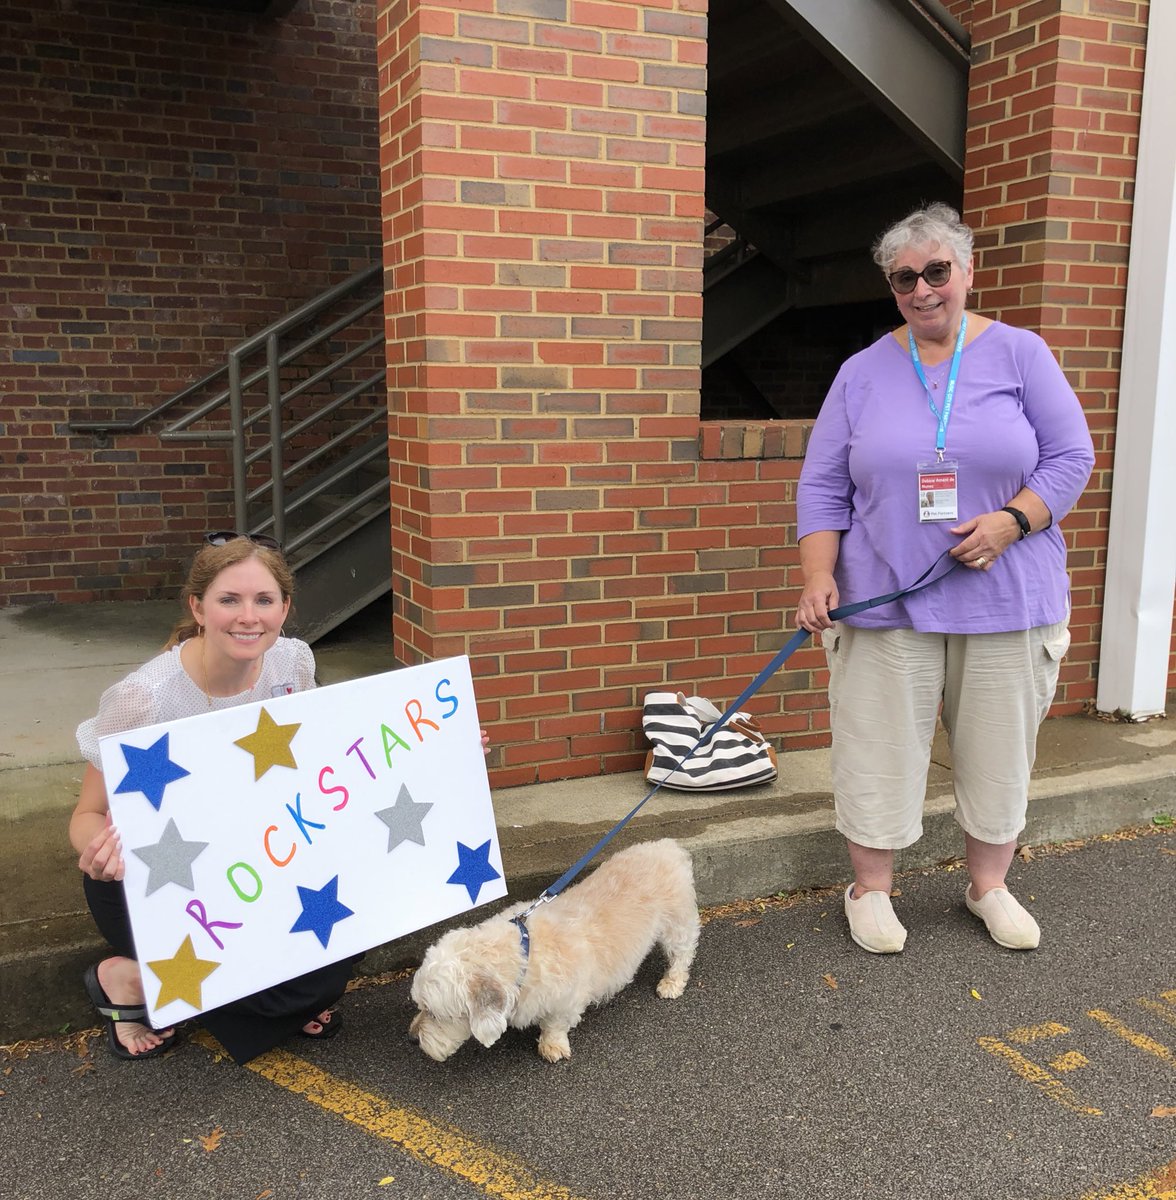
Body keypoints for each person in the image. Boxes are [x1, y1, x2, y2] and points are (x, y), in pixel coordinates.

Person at [794, 202, 1094, 955]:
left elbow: (1070, 458)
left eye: (937, 271)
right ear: (892, 288)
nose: (923, 290)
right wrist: (818, 576)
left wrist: (1010, 521)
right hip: (885, 598)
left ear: (967, 271)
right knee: (877, 747)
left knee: (999, 751)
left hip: (1009, 597)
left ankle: (988, 886)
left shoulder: (1022, 355)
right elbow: (823, 486)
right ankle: (871, 890)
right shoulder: (860, 374)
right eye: (905, 279)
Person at [72, 532, 490, 1061]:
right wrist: (99, 850)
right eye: (229, 600)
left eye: (264, 600)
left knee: (349, 931)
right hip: (160, 886)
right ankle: (129, 982)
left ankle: (170, 985)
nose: (249, 616)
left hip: (264, 860)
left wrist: (442, 745)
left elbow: (331, 765)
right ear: (197, 607)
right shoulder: (144, 698)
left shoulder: (291, 662)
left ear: (285, 608)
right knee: (286, 993)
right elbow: (86, 815)